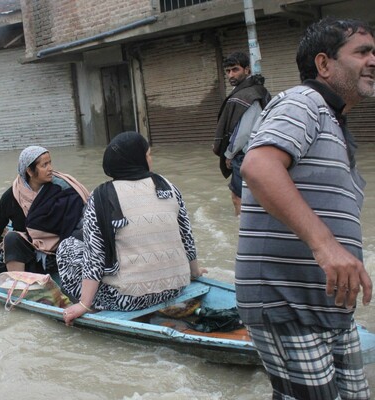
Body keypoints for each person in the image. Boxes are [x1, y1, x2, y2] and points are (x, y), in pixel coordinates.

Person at [236, 18, 374, 399]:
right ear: (324, 64)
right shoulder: (303, 101)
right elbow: (258, 166)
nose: (373, 59)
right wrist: (326, 245)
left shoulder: (334, 122)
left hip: (327, 307)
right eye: (362, 52)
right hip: (286, 303)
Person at [58, 131, 206, 326]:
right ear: (139, 159)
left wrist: (84, 305)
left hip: (130, 300)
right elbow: (186, 236)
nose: (150, 158)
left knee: (67, 247)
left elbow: (95, 255)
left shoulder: (101, 195)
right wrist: (194, 272)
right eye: (148, 154)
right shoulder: (168, 186)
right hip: (176, 287)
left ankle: (91, 302)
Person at [0, 145, 89, 278]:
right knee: (11, 238)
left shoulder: (62, 190)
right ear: (29, 171)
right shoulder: (13, 196)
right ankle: (18, 285)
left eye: (50, 163)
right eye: (44, 165)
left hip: (62, 254)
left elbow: (81, 221)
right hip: (31, 257)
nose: (50, 169)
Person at [212, 52, 271, 216]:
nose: (231, 74)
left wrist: (229, 154)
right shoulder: (256, 91)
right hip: (258, 152)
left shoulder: (248, 95)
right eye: (228, 71)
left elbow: (243, 131)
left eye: (235, 70)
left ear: (247, 70)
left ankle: (241, 231)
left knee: (238, 197)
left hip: (245, 154)